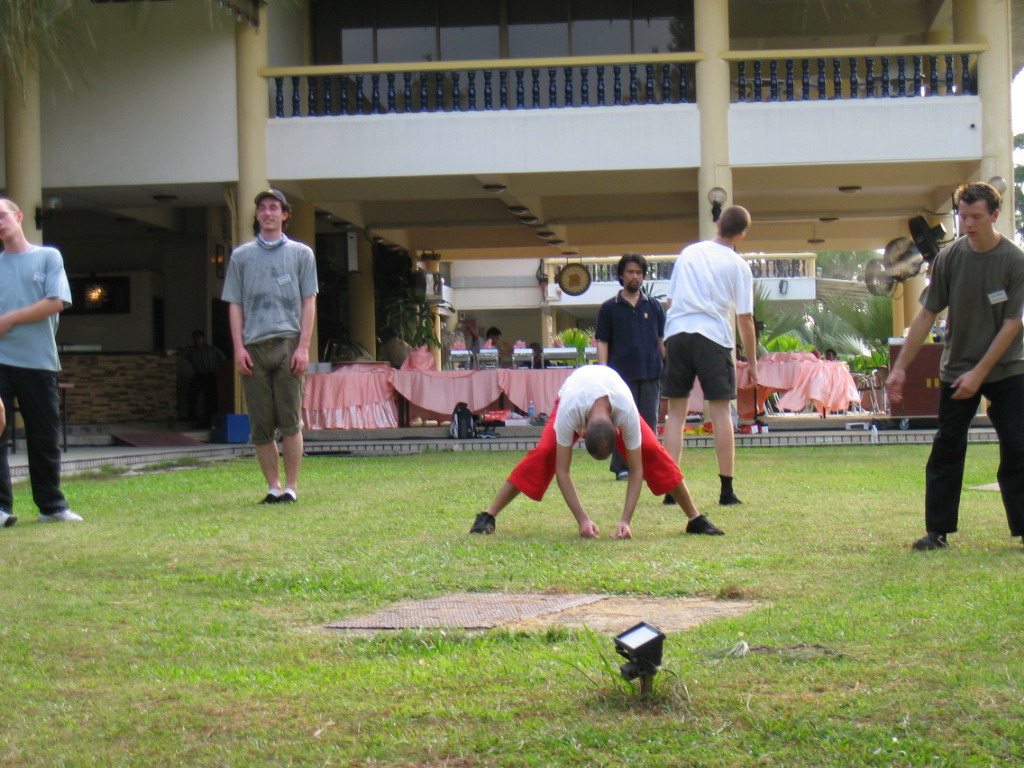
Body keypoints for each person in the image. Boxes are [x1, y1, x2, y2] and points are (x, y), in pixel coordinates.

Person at [886, 181, 1024, 550]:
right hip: (957, 368)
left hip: (1009, 369)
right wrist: (901, 366)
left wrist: (980, 374)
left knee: (1018, 446)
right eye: (963, 216)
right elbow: (927, 313)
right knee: (947, 446)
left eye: (977, 217)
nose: (969, 224)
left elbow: (1013, 324)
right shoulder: (950, 258)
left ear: (994, 216)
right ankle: (937, 532)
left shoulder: (1014, 261)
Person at [468, 364, 724, 538]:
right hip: (575, 392)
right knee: (545, 452)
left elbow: (636, 470)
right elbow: (562, 472)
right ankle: (488, 515)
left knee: (651, 450)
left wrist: (626, 520)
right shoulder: (570, 413)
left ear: (618, 430)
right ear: (583, 432)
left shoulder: (625, 412)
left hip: (610, 390)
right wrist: (582, 519)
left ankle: (695, 518)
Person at [222, 189, 318, 505]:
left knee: (290, 420)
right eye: (262, 208)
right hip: (254, 345)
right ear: (257, 215)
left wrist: (303, 347)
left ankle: (291, 487)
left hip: (288, 342)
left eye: (274, 207)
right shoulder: (242, 256)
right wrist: (238, 348)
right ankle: (272, 486)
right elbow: (234, 304)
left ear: (284, 214)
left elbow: (309, 301)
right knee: (261, 423)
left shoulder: (302, 254)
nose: (268, 213)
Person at [662, 205, 759, 507]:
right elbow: (745, 319)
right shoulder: (738, 265)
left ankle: (670, 488)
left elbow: (669, 301)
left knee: (675, 414)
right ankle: (726, 491)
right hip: (713, 336)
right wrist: (752, 363)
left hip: (677, 333)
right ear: (741, 234)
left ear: (717, 224)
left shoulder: (689, 253)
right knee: (720, 413)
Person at [0, 197, 81, 528]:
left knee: (43, 436)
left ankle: (51, 506)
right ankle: (2, 509)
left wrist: (9, 320)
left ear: (18, 216)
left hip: (39, 362)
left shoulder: (48, 256)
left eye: (2, 215)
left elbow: (57, 301)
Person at [595, 253, 665, 481]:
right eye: (630, 272)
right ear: (621, 275)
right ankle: (622, 467)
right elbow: (602, 341)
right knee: (622, 422)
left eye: (638, 272)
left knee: (649, 423)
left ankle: (647, 466)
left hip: (651, 373)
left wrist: (669, 366)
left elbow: (661, 341)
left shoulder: (654, 306)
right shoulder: (609, 308)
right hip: (619, 376)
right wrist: (604, 373)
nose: (635, 277)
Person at [171, 330, 226, 425]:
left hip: (210, 375)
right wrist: (178, 351)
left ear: (203, 339)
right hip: (199, 375)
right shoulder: (191, 350)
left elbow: (223, 358)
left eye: (199, 338)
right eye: (195, 338)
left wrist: (219, 371)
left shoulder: (212, 349)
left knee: (211, 397)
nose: (197, 340)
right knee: (191, 394)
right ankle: (192, 416)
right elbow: (179, 351)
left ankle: (210, 418)